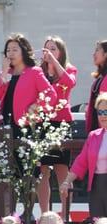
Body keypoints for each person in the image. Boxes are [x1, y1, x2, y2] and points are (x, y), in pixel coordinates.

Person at [37, 36, 77, 214]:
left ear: (60, 52)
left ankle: (65, 214)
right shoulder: (38, 72)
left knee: (62, 170)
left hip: (61, 123)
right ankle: (45, 214)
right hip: (43, 123)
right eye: (47, 49)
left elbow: (69, 83)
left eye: (53, 49)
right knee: (42, 171)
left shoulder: (69, 69)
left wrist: (54, 63)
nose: (49, 52)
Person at [0, 34, 57, 139]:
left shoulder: (34, 72)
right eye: (8, 50)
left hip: (27, 126)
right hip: (6, 124)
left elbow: (51, 95)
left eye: (14, 50)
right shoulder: (7, 73)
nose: (10, 53)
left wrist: (36, 106)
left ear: (24, 52)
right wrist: (3, 72)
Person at [61, 93, 107, 218]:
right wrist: (67, 181)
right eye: (100, 112)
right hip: (96, 186)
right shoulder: (93, 136)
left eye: (106, 112)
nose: (103, 116)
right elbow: (81, 162)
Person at [85, 40, 107, 134]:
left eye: (97, 50)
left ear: (106, 54)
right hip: (95, 126)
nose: (93, 54)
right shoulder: (100, 77)